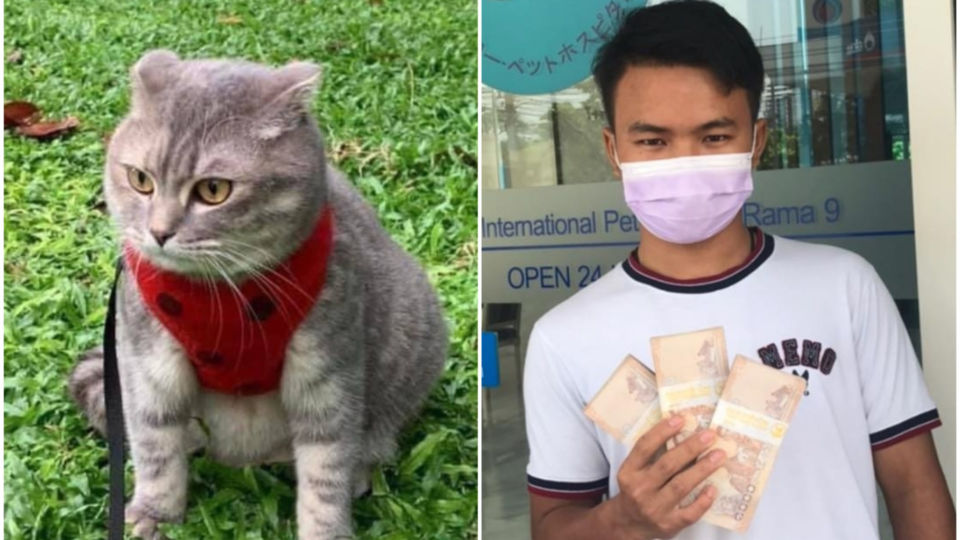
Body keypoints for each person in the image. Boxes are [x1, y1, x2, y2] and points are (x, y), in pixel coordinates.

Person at [522, 1, 955, 539]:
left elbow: (915, 487)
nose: (683, 161)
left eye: (714, 137)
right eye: (653, 140)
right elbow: (552, 527)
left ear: (756, 142)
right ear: (614, 151)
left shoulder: (845, 287)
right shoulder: (563, 339)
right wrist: (624, 521)